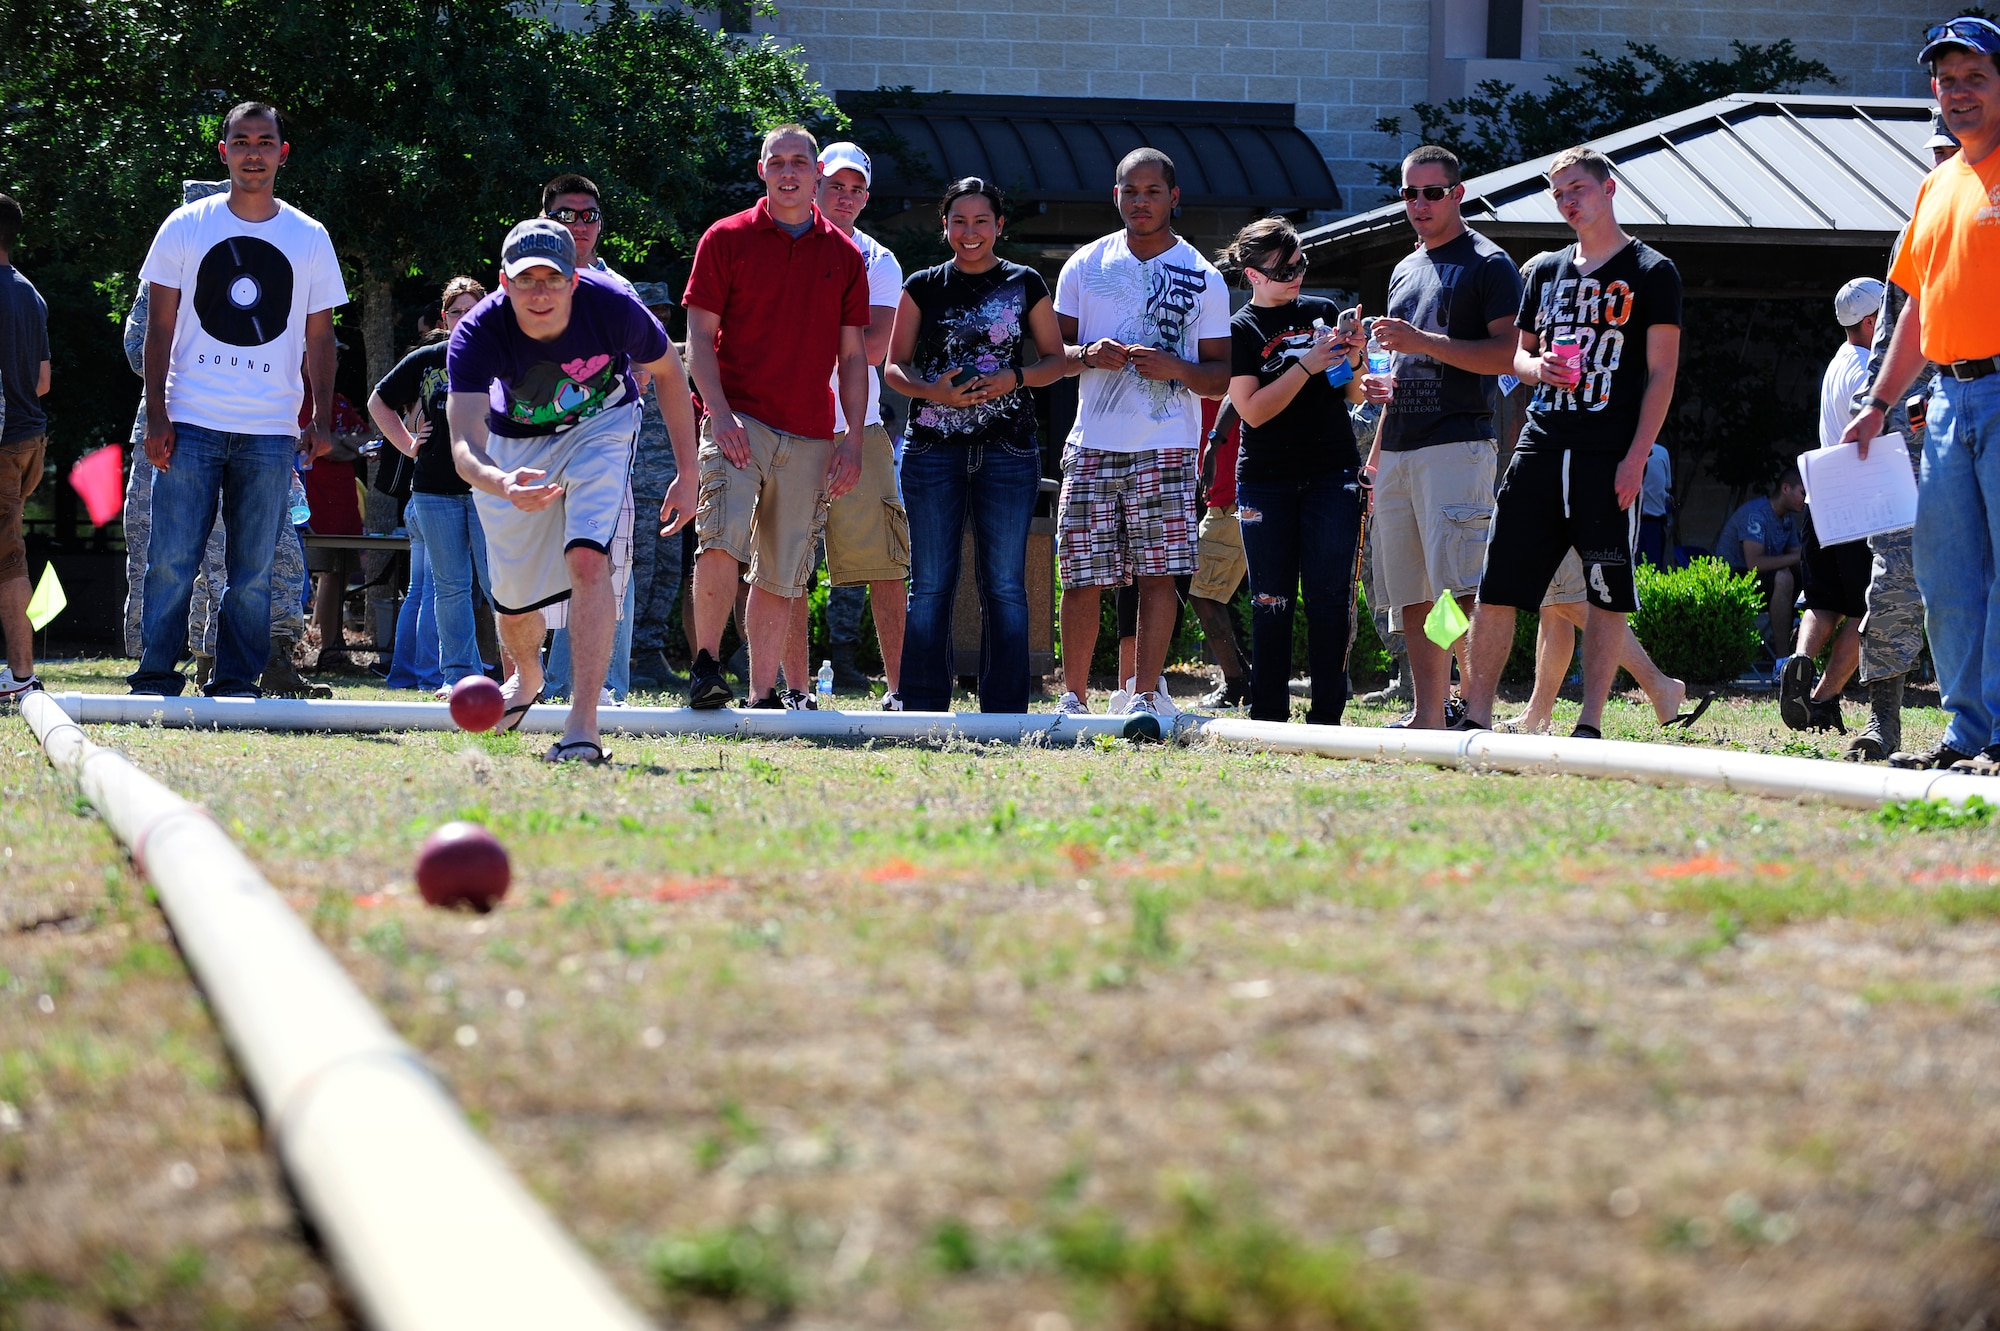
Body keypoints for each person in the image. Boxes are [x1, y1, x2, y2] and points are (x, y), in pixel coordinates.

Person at [447, 219, 697, 761]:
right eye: (526, 279)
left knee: (588, 560)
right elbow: (464, 445)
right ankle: (529, 677)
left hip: (602, 425)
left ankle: (583, 724)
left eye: (552, 279)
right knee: (513, 603)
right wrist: (503, 482)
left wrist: (688, 471)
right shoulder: (477, 331)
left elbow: (671, 372)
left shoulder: (614, 306)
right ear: (503, 282)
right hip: (510, 446)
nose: (539, 292)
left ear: (574, 280)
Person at [1459, 146, 1683, 738]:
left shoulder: (1652, 271)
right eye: (1558, 194)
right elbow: (1519, 354)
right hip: (1542, 440)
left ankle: (1589, 724)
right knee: (1499, 582)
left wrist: (1636, 458)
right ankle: (1476, 717)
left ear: (1608, 188)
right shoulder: (1544, 271)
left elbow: (1662, 373)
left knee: (1605, 590)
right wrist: (1535, 370)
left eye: (1576, 189)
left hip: (1608, 451)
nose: (1567, 202)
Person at [129, 103, 346, 698]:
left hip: (270, 429)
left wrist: (321, 421)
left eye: (265, 141)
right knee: (171, 560)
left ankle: (234, 681)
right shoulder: (186, 225)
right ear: (223, 152)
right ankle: (154, 676)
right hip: (190, 420)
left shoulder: (308, 235)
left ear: (283, 152)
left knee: (252, 572)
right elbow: (160, 329)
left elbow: (320, 335)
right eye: (242, 141)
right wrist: (159, 414)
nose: (254, 152)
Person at [1843, 16, 2000, 773]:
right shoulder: (1937, 184)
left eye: (1975, 77)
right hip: (1945, 401)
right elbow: (1913, 309)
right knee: (1944, 575)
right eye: (1947, 80)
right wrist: (1876, 403)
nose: (1958, 93)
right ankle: (1968, 734)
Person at [681, 124, 871, 710]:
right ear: (761, 170)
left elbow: (854, 356)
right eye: (777, 161)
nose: (788, 172)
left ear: (817, 174)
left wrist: (853, 440)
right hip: (739, 420)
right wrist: (721, 415)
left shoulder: (844, 254)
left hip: (813, 430)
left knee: (783, 571)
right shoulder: (726, 237)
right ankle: (707, 667)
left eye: (799, 162)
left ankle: (765, 693)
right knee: (720, 540)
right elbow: (698, 339)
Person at [1052, 147, 1231, 720]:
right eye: (1130, 191)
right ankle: (1074, 698)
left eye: (1153, 191)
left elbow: (1219, 377)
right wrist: (1085, 353)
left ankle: (1146, 694)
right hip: (1093, 441)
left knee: (1159, 572)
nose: (1141, 201)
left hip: (1168, 445)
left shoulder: (1203, 276)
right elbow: (1050, 355)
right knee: (1082, 575)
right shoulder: (1085, 264)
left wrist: (1175, 367)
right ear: (1116, 196)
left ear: (1173, 198)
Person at [885, 177, 1067, 713]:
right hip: (932, 448)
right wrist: (929, 389)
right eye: (959, 221)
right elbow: (894, 365)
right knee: (931, 583)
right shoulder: (922, 284)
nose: (970, 232)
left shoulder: (1025, 281)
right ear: (944, 226)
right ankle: (922, 704)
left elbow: (1056, 360)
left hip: (1009, 449)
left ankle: (1006, 710)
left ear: (999, 226)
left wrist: (1015, 376)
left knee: (1006, 584)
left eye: (981, 221)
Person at [1361, 145, 1524, 730]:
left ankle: (1477, 714)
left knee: (1459, 589)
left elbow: (1509, 354)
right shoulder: (1406, 267)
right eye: (1409, 193)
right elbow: (1398, 366)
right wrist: (1377, 458)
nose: (1419, 204)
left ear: (1458, 194)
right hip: (1401, 445)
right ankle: (1427, 714)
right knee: (1413, 592)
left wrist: (1422, 341)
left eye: (1432, 193)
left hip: (1458, 443)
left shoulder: (1489, 262)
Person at [1220, 217, 1367, 726]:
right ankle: (1269, 713)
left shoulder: (1323, 311)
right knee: (1271, 599)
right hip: (1267, 475)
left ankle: (1328, 714)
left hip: (1332, 470)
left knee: (1330, 596)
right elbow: (1252, 410)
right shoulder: (1240, 328)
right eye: (1284, 268)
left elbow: (1350, 392)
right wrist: (1305, 363)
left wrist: (1357, 354)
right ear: (1252, 273)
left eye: (1301, 261)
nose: (1297, 273)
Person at [777, 142, 908, 707]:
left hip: (863, 426)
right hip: (785, 425)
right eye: (836, 185)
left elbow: (876, 347)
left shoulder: (879, 259)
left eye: (857, 188)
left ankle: (902, 691)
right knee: (786, 564)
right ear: (813, 185)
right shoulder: (777, 244)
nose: (846, 196)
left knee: (886, 565)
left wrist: (805, 330)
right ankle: (798, 691)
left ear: (867, 196)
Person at [1846, 114, 1958, 763]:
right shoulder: (1914, 231)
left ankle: (1973, 721)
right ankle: (1882, 721)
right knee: (1892, 574)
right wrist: (1871, 407)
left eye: (1953, 149)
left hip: (1983, 407)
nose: (1943, 160)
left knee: (1975, 574)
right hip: (1911, 422)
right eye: (1938, 150)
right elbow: (1890, 331)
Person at [370, 276, 495, 696]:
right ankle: (458, 675)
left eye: (472, 309)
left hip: (487, 490)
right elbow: (379, 401)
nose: (464, 317)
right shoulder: (427, 359)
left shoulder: (504, 356)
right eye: (456, 311)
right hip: (433, 491)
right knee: (450, 586)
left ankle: (518, 676)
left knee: (500, 585)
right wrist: (407, 445)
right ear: (445, 317)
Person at [541, 174, 638, 703]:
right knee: (538, 572)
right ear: (545, 219)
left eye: (588, 215)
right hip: (536, 452)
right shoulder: (522, 283)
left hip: (604, 453)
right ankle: (544, 684)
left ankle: (608, 689)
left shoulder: (619, 291)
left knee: (606, 567)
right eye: (565, 215)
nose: (579, 225)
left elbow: (650, 367)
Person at [1779, 277, 1886, 733]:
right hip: (1858, 500)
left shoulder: (1837, 362)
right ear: (1871, 320)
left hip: (1820, 494)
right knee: (1871, 609)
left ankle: (1798, 664)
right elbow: (1876, 430)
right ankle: (1823, 697)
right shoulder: (1868, 369)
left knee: (1823, 602)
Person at [1506, 550, 1702, 734]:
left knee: (1567, 599)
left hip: (1569, 514)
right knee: (1552, 605)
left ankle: (1659, 686)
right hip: (1557, 515)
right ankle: (1538, 711)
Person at [625, 282, 687, 694]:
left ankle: (650, 650)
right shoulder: (627, 359)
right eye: (652, 311)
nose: (660, 318)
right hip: (638, 488)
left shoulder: (674, 361)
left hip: (672, 487)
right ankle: (628, 654)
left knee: (668, 575)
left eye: (665, 312)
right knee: (640, 575)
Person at [0, 192, 49, 699]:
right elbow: (43, 380)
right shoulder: (29, 293)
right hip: (28, 441)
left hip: (1, 442)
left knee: (7, 560)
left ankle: (19, 678)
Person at [1192, 398, 1252, 708]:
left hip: (1230, 497)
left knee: (1203, 593)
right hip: (1226, 494)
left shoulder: (1223, 360)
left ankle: (1238, 683)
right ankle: (1243, 678)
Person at [1714, 469, 1806, 648]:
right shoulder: (1756, 515)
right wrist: (1798, 556)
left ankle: (1803, 648)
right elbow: (1754, 563)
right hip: (1734, 579)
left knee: (1809, 580)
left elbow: (1799, 558)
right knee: (1784, 577)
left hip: (1762, 581)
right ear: (1785, 488)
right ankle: (1782, 661)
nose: (1806, 499)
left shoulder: (1786, 519)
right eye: (1803, 493)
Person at [1638, 442, 1671, 566]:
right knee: (1654, 569)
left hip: (1638, 522)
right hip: (1654, 523)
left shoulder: (1625, 451)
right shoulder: (1662, 452)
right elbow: (1665, 487)